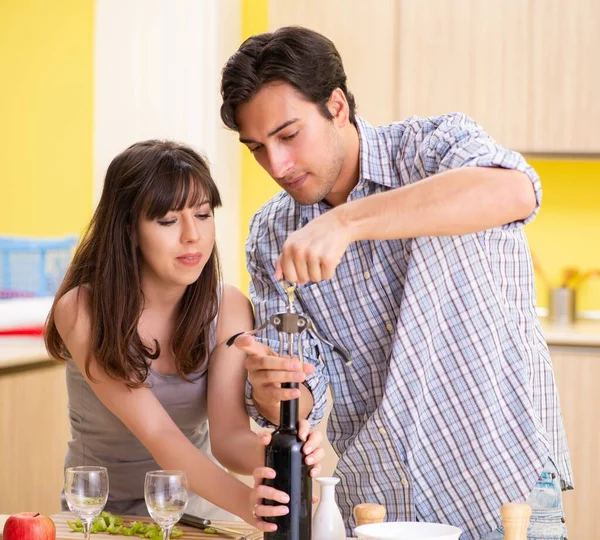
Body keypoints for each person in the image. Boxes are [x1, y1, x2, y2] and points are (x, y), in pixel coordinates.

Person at [219, 26, 572, 540]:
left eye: (289, 135)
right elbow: (301, 396)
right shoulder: (273, 234)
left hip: (503, 496)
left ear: (336, 105)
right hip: (378, 512)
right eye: (257, 149)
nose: (277, 165)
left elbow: (515, 191)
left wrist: (346, 222)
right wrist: (274, 388)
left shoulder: (433, 148)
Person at [44, 140, 325, 533]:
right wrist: (246, 502)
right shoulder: (82, 311)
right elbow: (159, 434)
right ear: (129, 228)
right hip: (100, 519)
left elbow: (228, 439)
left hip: (198, 518)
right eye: (168, 221)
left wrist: (282, 450)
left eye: (203, 214)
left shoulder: (226, 306)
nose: (193, 236)